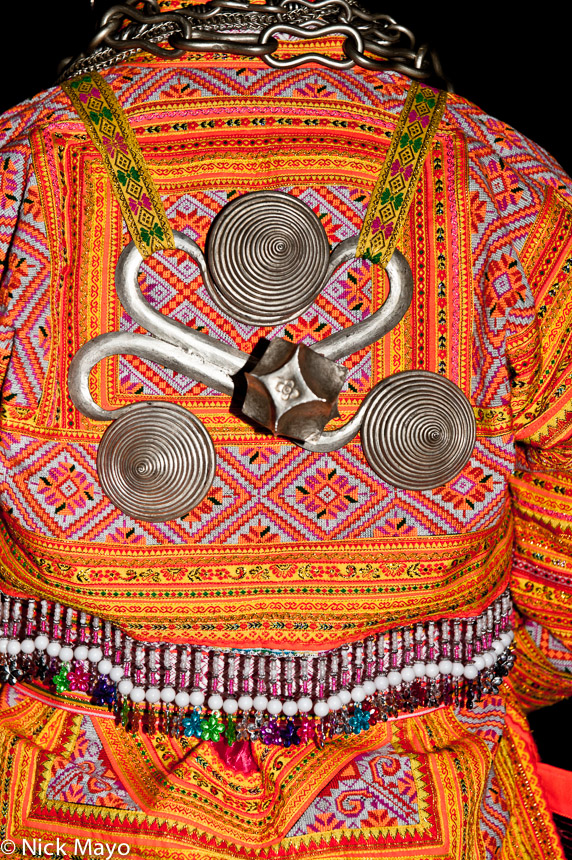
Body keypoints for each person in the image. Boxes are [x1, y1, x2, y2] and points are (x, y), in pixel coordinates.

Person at [0, 2, 571, 858]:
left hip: (64, 798)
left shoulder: (25, 163)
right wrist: (495, 677)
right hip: (429, 793)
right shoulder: (501, 178)